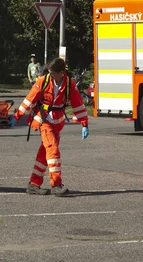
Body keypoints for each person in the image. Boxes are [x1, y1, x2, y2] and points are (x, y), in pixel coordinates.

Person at [13, 57, 89, 196]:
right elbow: (30, 99)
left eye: (53, 73)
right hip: (44, 120)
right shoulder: (43, 81)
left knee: (45, 153)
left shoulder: (69, 84)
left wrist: (84, 123)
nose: (50, 75)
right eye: (50, 72)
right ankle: (56, 184)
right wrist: (17, 116)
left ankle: (33, 184)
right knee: (53, 150)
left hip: (57, 122)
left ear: (61, 73)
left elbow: (77, 103)